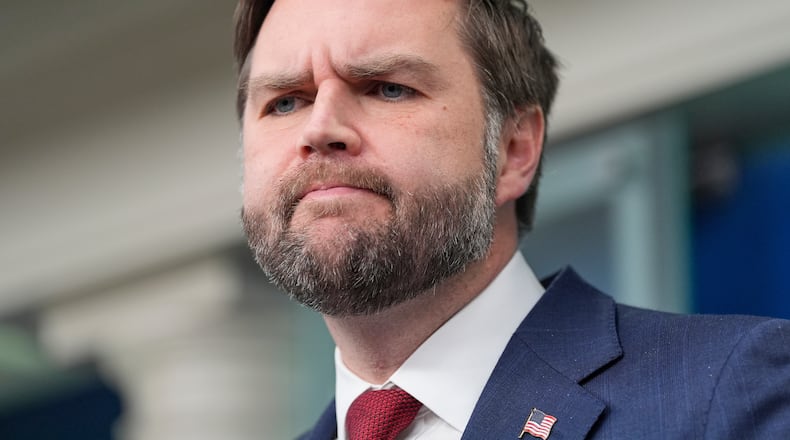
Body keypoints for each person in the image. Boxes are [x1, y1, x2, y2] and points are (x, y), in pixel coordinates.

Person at [233, 0, 790, 438]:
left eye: (387, 88)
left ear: (514, 149)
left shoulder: (732, 391)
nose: (319, 129)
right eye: (285, 102)